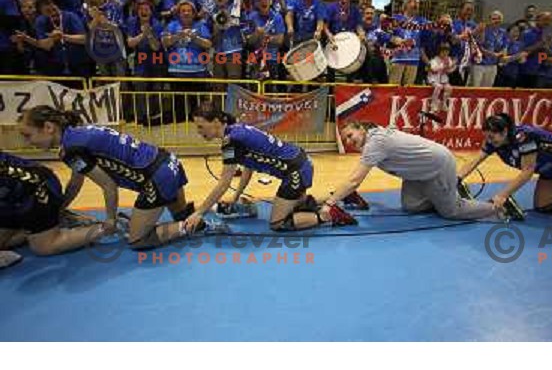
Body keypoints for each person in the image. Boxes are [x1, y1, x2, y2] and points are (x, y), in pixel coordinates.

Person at [19, 106, 198, 250]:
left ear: (49, 128)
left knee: (138, 241)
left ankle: (199, 224)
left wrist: (110, 220)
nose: (28, 142)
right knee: (181, 217)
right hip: (168, 162)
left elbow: (108, 186)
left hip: (157, 176)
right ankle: (193, 222)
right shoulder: (76, 136)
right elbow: (76, 181)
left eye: (28, 135)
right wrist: (61, 208)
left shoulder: (71, 149)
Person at [183, 107, 357, 233]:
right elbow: (248, 168)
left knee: (278, 223)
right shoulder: (237, 130)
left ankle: (330, 216)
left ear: (215, 122)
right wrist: (235, 199)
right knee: (298, 204)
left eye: (200, 126)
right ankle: (343, 195)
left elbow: (223, 183)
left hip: (294, 171)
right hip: (300, 163)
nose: (199, 132)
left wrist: (199, 213)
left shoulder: (230, 141)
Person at [325, 121, 511, 222]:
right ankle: (442, 196)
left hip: (438, 167)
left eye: (350, 135)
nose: (349, 142)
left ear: (361, 129)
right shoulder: (375, 135)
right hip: (417, 174)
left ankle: (495, 208)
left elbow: (354, 181)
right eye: (346, 140)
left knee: (451, 212)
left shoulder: (375, 143)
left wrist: (329, 203)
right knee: (411, 206)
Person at [458, 113, 552, 225]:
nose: (489, 141)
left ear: (505, 131)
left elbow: (528, 171)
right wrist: (457, 179)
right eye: (486, 137)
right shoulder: (493, 141)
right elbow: (474, 161)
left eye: (491, 137)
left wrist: (502, 195)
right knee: (544, 207)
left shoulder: (524, 137)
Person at [0, 150, 107, 256]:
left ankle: (108, 228)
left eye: (28, 136)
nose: (28, 141)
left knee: (43, 247)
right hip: (14, 195)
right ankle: (49, 223)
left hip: (38, 188)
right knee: (8, 242)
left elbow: (80, 180)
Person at [427, 43, 456, 112]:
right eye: (443, 52)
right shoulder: (434, 60)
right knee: (438, 87)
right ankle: (433, 103)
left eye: (447, 52)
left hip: (443, 79)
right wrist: (443, 66)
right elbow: (434, 69)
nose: (445, 53)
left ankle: (444, 103)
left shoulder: (448, 59)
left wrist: (452, 68)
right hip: (434, 79)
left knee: (449, 88)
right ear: (439, 52)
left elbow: (449, 70)